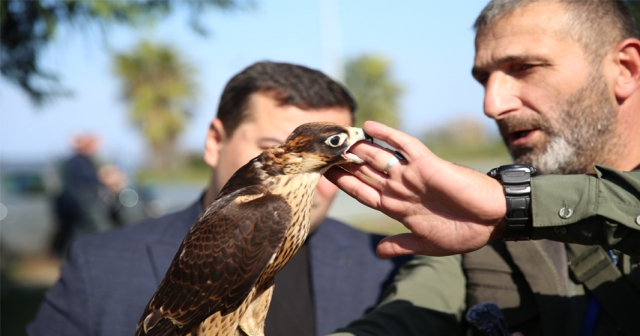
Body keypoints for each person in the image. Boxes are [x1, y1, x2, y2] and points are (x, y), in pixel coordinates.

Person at [324, 1, 640, 335]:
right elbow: (401, 321)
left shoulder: (497, 209)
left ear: (625, 69)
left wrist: (514, 205)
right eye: (483, 79)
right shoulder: (472, 230)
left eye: (523, 67)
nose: (492, 105)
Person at [28, 62, 408, 336]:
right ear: (214, 141)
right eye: (268, 145)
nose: (330, 184)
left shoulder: (387, 263)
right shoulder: (97, 264)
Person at [51, 134, 115, 257]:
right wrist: (104, 179)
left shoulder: (83, 161)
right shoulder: (77, 162)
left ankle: (69, 256)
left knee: (79, 232)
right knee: (102, 228)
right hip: (83, 203)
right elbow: (85, 182)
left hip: (81, 203)